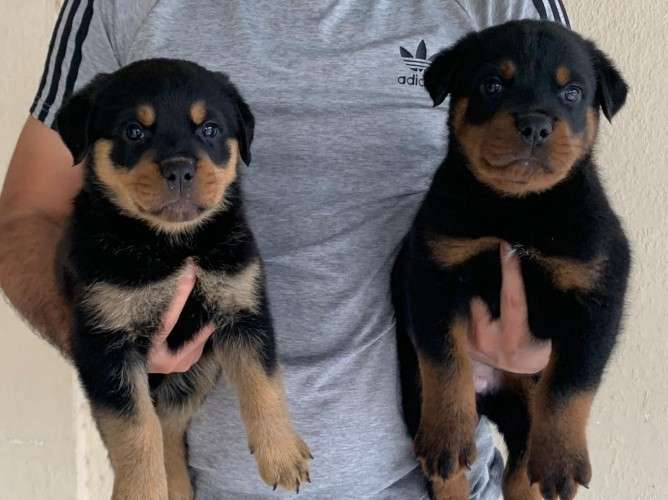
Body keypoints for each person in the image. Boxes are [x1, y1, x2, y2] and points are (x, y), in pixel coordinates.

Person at [0, 1, 569, 498]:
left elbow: (567, 210)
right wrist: (101, 341)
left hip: (443, 484)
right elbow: (27, 216)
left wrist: (542, 343)